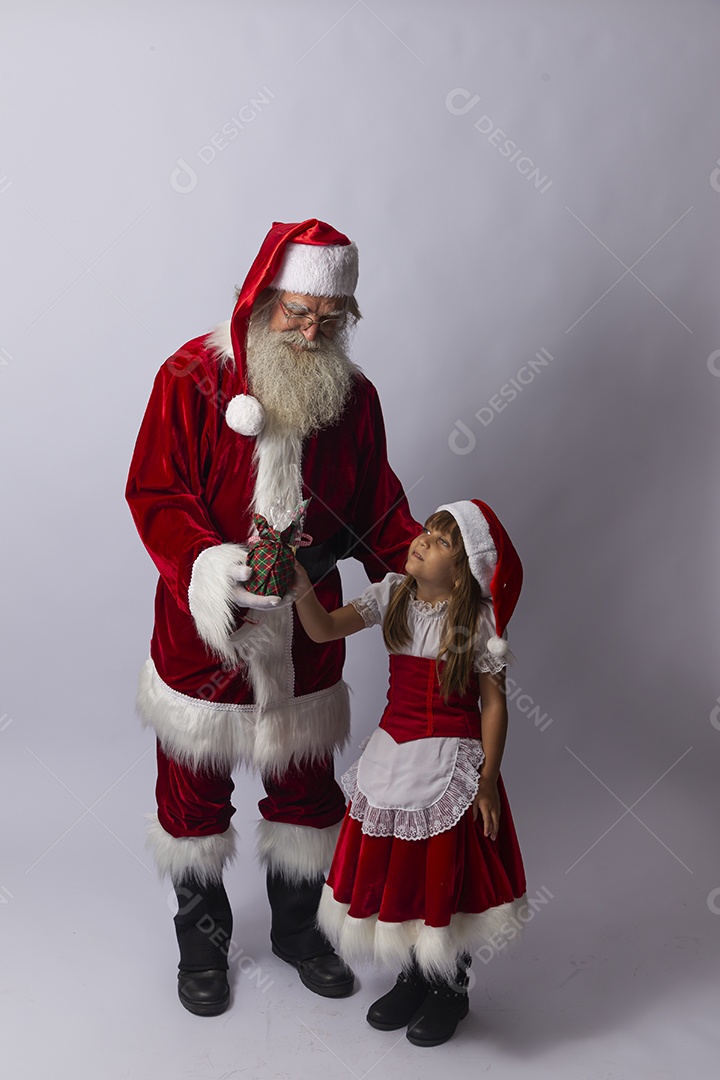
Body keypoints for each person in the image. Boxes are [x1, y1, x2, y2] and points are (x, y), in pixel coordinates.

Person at [125, 219, 418, 1016]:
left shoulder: (353, 400)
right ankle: (203, 947)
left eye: (328, 318)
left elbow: (377, 507)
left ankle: (298, 929)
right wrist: (205, 567)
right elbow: (154, 493)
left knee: (307, 792)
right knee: (191, 798)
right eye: (296, 312)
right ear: (260, 300)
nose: (310, 331)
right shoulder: (189, 379)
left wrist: (426, 564)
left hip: (306, 635)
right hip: (204, 639)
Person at [293, 499, 526, 1047]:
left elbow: (493, 704)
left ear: (465, 568)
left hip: (450, 760)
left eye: (443, 541)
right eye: (426, 531)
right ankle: (412, 974)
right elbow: (325, 629)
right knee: (403, 869)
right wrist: (302, 581)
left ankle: (449, 986)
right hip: (393, 752)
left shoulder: (475, 622)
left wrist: (487, 779)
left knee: (445, 873)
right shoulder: (393, 591)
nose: (423, 540)